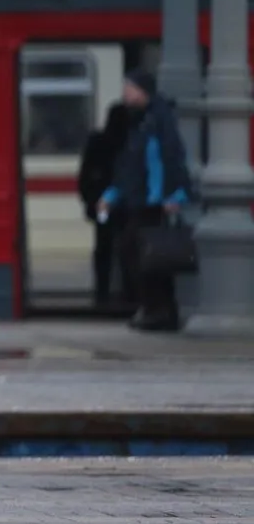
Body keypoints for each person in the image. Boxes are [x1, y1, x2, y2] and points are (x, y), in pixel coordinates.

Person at [96, 70, 192, 333]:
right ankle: (159, 310)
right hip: (143, 200)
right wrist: (112, 195)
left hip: (154, 202)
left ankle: (157, 310)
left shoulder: (158, 121)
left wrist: (175, 194)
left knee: (144, 254)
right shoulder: (140, 121)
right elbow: (129, 167)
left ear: (143, 91)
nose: (125, 93)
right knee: (147, 255)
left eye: (129, 87)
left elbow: (172, 158)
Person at [77, 102, 133, 306]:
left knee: (103, 247)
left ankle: (102, 292)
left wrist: (89, 200)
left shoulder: (97, 140)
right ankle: (129, 292)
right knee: (127, 248)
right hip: (126, 205)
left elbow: (84, 175)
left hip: (101, 204)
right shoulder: (130, 141)